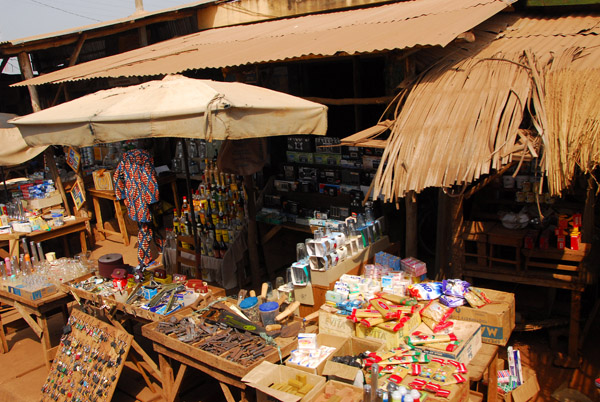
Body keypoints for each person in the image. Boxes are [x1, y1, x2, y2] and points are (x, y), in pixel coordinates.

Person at [113, 140, 159, 270]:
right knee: (144, 228)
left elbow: (116, 177)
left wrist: (122, 197)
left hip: (131, 196)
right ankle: (144, 261)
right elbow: (149, 178)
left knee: (145, 225)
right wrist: (153, 200)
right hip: (143, 197)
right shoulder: (146, 157)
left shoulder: (126, 156)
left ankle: (159, 247)